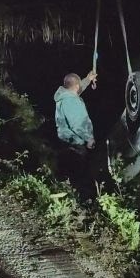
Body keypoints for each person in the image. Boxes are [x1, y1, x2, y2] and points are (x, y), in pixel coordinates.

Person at [54, 69, 98, 201]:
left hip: (66, 142)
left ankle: (67, 196)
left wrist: (87, 79)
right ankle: (80, 201)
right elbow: (78, 124)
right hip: (75, 144)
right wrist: (89, 138)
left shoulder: (65, 96)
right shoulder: (71, 102)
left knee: (69, 173)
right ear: (76, 86)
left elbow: (75, 91)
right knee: (79, 175)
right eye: (79, 85)